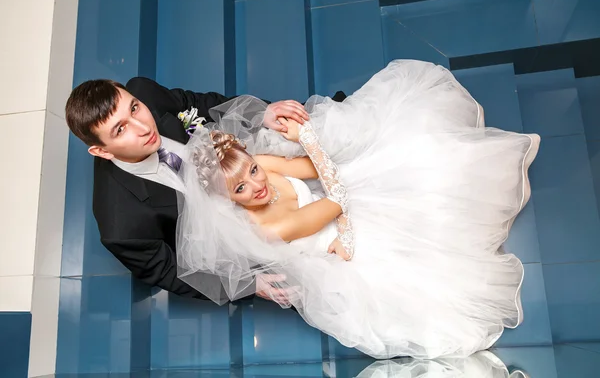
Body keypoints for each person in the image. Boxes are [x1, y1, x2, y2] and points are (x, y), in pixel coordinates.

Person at [175, 60, 540, 359]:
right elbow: (336, 201)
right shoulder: (268, 228)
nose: (257, 185)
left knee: (420, 153)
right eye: (241, 188)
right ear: (229, 199)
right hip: (339, 246)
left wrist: (311, 148)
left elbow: (317, 170)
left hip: (336, 202)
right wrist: (308, 143)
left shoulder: (262, 165)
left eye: (253, 170)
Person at [64, 76, 345, 301]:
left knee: (336, 143)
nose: (143, 127)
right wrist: (248, 285)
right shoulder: (120, 225)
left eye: (134, 108)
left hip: (250, 166)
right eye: (120, 130)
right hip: (242, 234)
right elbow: (166, 271)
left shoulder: (143, 90)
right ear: (101, 151)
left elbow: (195, 103)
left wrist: (260, 113)